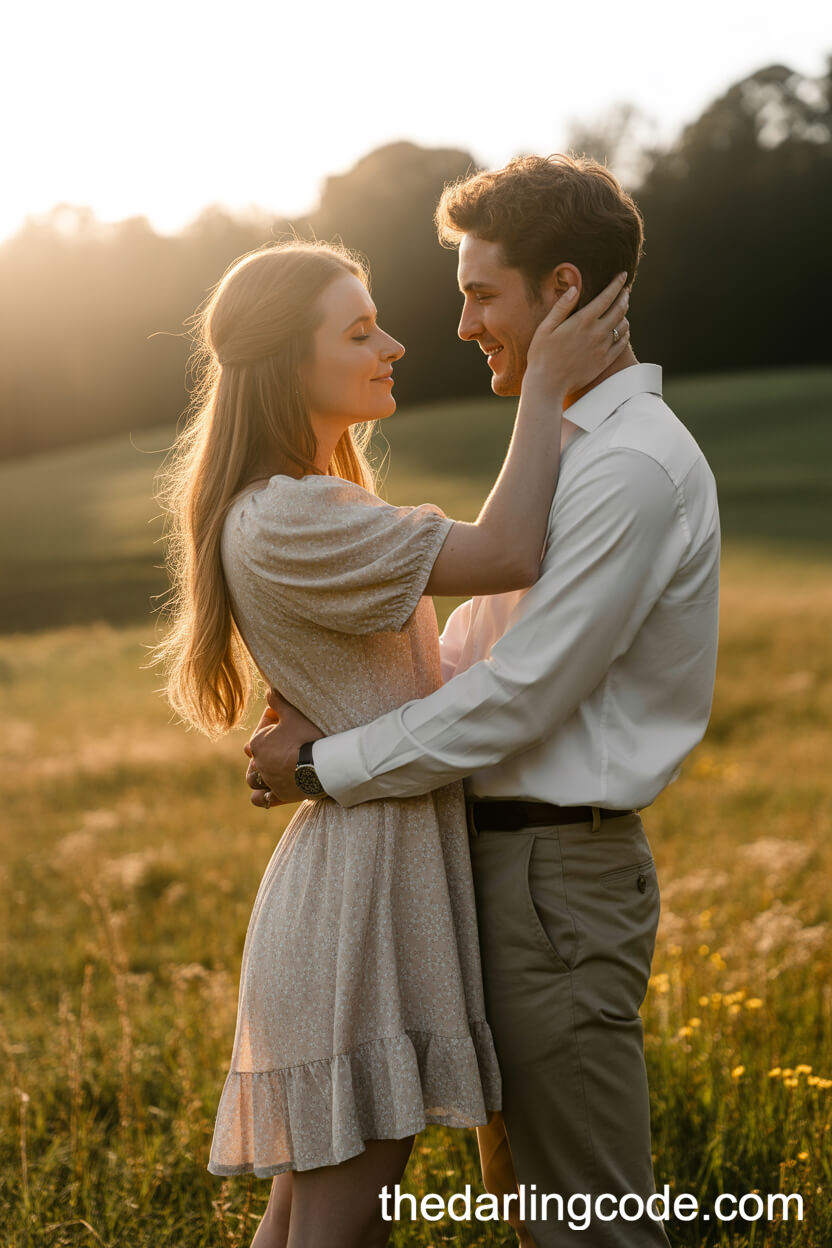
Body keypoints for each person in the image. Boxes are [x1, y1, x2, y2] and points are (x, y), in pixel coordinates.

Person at [246, 156, 721, 1248]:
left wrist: (326, 764)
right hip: (495, 873)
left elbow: (515, 698)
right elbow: (473, 650)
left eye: (480, 293)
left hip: (554, 879)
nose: (460, 324)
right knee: (536, 1217)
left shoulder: (631, 468)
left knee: (590, 1224)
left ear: (561, 290)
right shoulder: (564, 451)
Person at [153, 237, 631, 1248]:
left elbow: (430, 667)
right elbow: (508, 550)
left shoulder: (302, 507)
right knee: (334, 1228)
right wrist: (544, 381)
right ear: (290, 360)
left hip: (361, 888)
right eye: (360, 329)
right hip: (357, 909)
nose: (397, 345)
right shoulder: (296, 515)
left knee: (303, 1223)